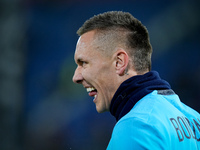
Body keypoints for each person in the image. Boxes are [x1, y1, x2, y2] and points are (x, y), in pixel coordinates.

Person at [72, 11, 200, 149]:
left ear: (119, 62)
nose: (76, 77)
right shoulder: (194, 119)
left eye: (83, 63)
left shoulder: (135, 126)